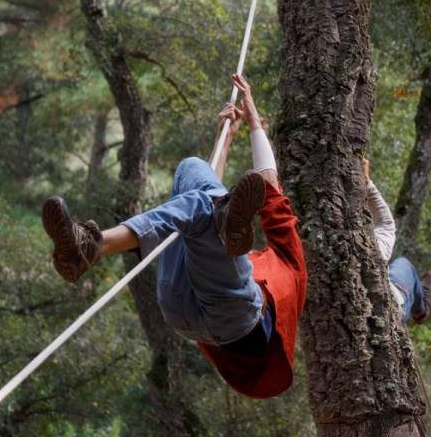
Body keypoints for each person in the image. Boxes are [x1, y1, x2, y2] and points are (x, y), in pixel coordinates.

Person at [41, 74, 308, 398]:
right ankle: (84, 248)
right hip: (182, 312)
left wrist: (254, 120)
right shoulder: (238, 254)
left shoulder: (291, 266)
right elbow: (210, 198)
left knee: (205, 209)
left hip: (237, 317)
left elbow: (269, 185)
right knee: (191, 169)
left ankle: (93, 247)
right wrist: (224, 140)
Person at [364, 159, 429, 324]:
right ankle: (420, 310)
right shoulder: (371, 249)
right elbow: (386, 223)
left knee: (398, 267)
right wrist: (366, 182)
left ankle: (419, 301)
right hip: (392, 306)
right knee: (404, 264)